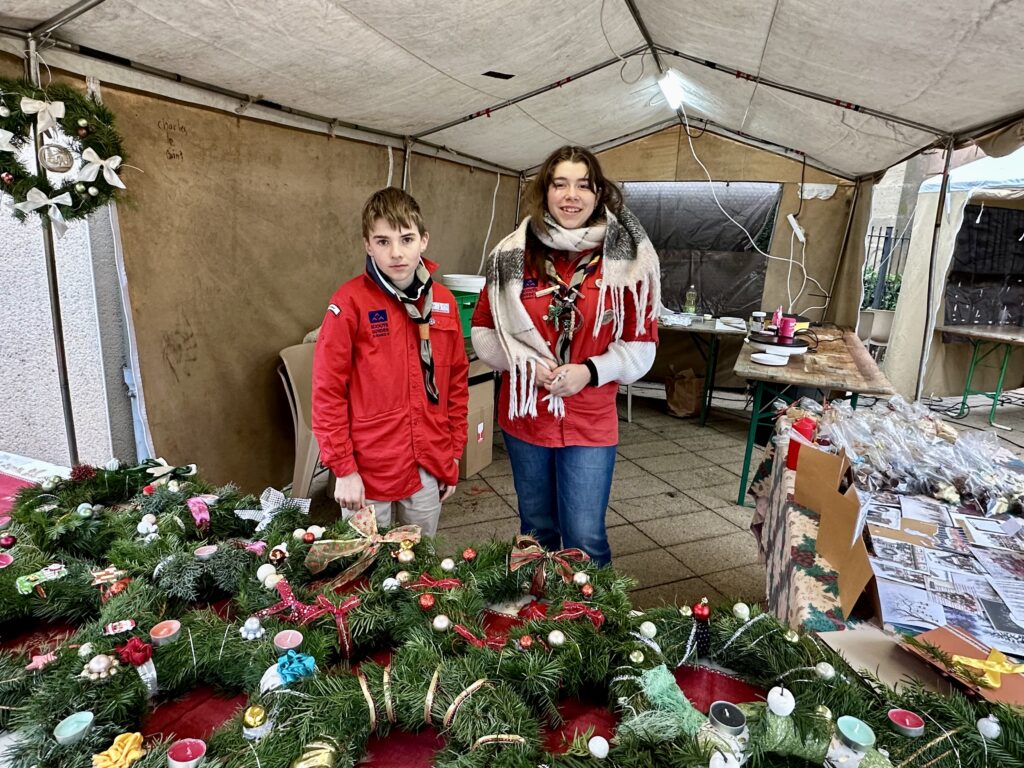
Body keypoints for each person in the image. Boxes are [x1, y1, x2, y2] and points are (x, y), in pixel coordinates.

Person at [471, 145, 660, 565]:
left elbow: (642, 348)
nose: (571, 195)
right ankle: (541, 623)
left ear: (598, 194)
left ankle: (591, 626)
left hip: (589, 420)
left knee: (585, 538)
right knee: (536, 531)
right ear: (545, 191)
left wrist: (590, 372)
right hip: (527, 416)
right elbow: (483, 331)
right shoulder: (510, 255)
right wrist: (523, 363)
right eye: (560, 184)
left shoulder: (627, 260)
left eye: (583, 185)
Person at [312, 187, 469, 537]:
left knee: (420, 564)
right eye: (382, 241)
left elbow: (456, 381)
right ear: (368, 244)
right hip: (368, 470)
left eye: (407, 239)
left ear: (423, 241)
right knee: (366, 571)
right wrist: (343, 469)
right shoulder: (349, 303)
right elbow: (327, 392)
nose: (396, 253)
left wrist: (453, 454)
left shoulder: (443, 302)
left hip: (428, 462)